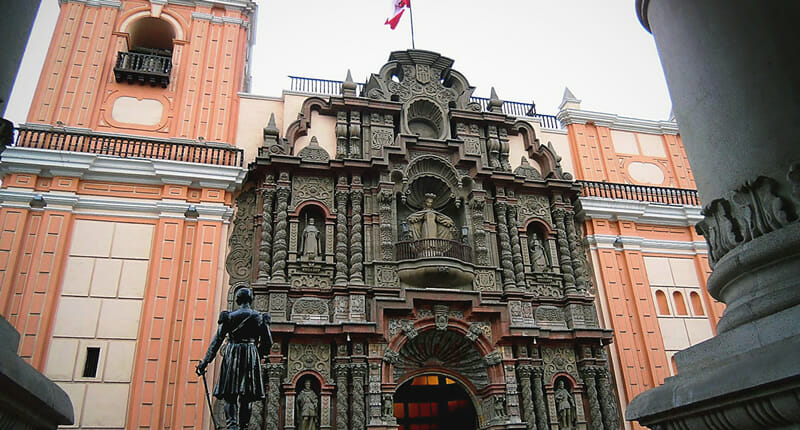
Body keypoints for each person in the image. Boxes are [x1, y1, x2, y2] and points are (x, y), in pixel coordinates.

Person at [196, 288, 272, 430]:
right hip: (250, 354)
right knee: (247, 397)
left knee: (230, 396)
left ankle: (232, 426)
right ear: (251, 300)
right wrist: (257, 355)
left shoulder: (229, 317)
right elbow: (268, 342)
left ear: (237, 300)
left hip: (233, 354)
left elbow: (217, 341)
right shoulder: (259, 317)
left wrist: (205, 362)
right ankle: (243, 427)